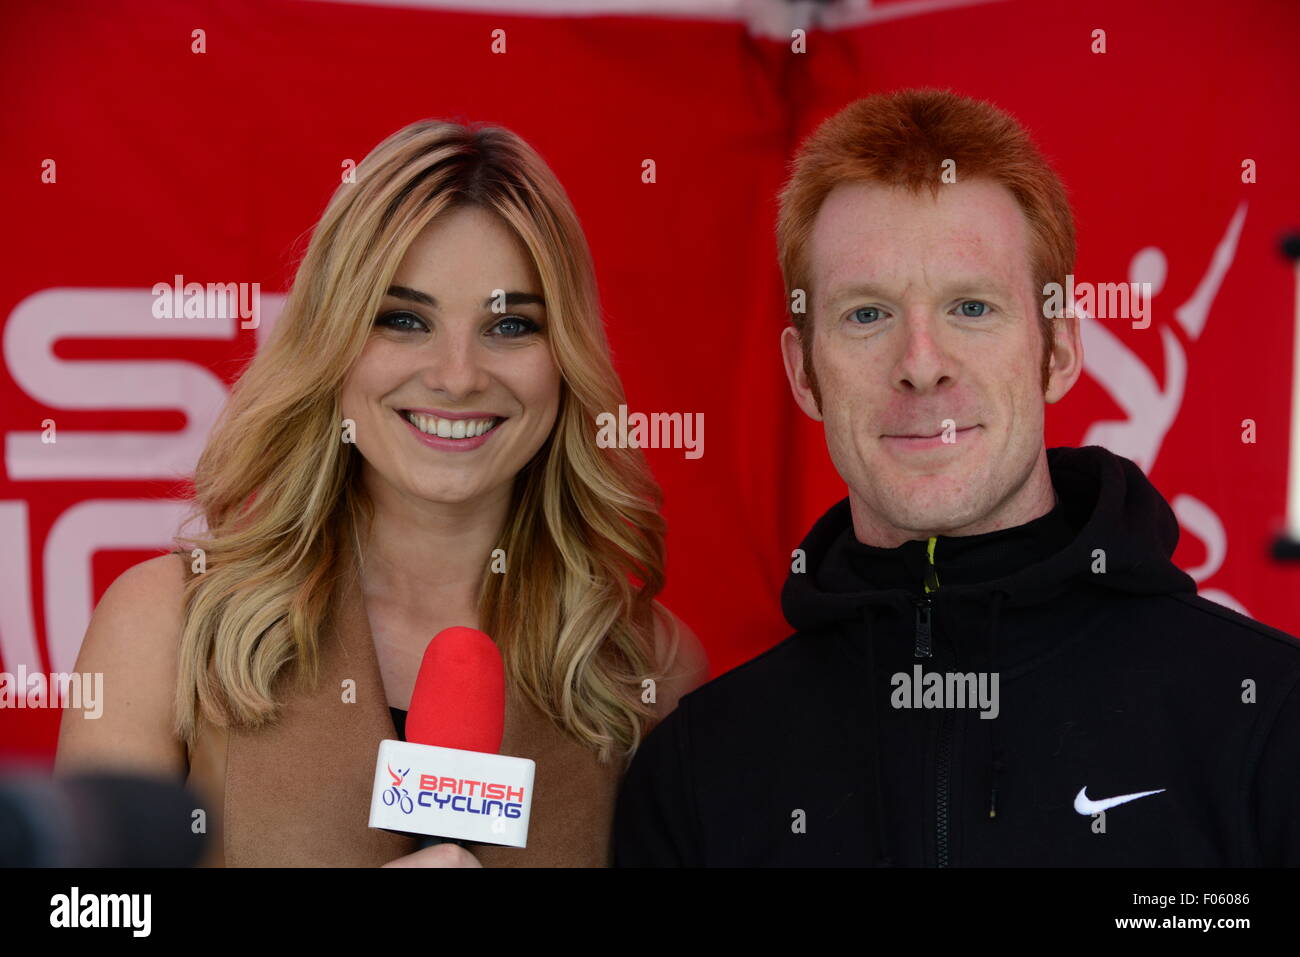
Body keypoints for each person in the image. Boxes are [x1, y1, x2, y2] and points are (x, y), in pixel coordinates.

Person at [613, 88, 1300, 866]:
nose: (921, 365)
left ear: (1060, 349)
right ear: (803, 372)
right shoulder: (698, 773)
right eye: (866, 314)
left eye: (970, 306)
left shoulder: (1268, 719)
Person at [55, 119, 708, 867]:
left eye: (510, 325)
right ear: (332, 345)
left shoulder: (647, 663)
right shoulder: (166, 624)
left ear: (565, 358)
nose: (458, 375)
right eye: (403, 319)